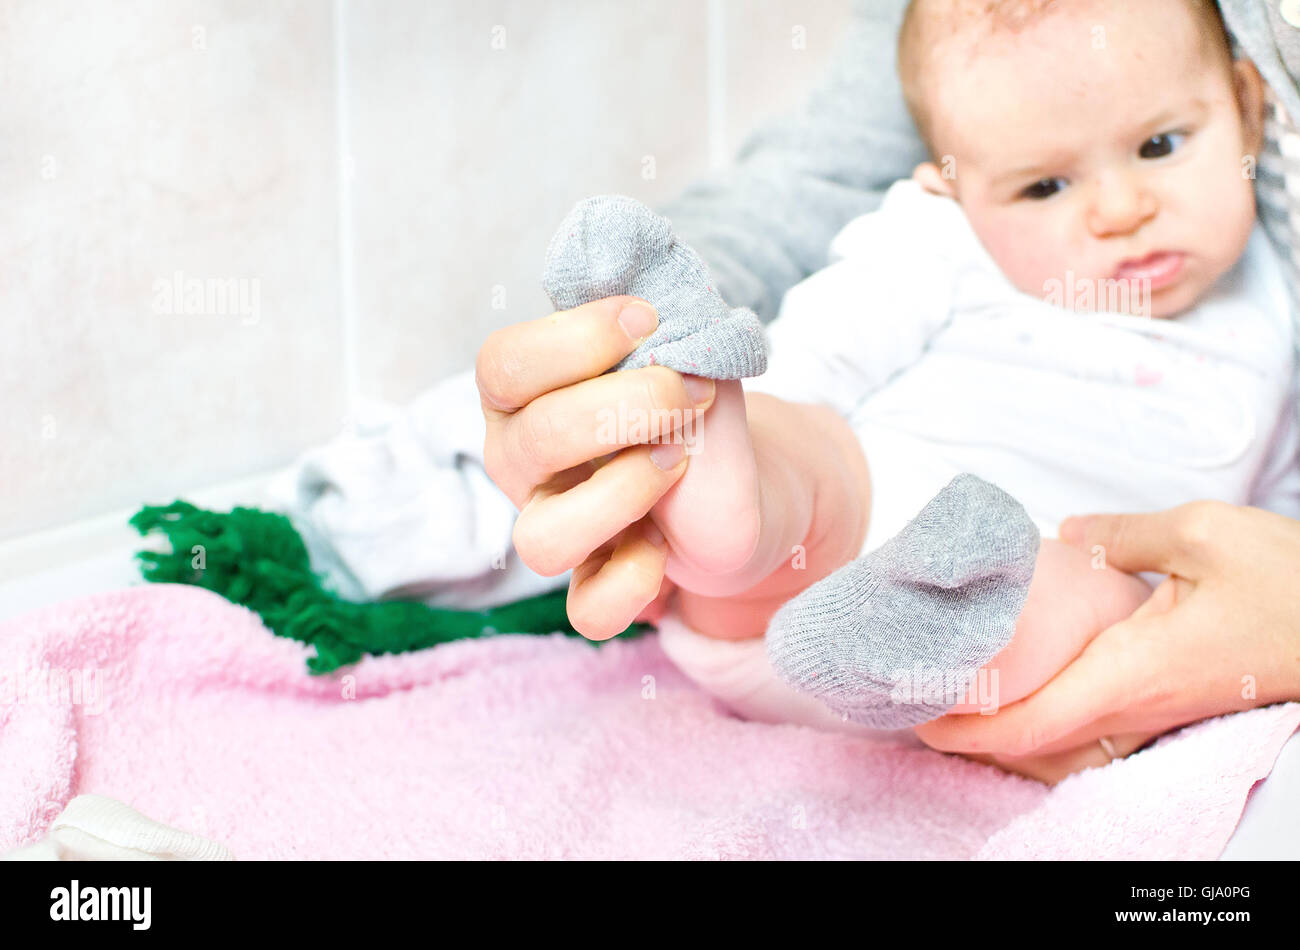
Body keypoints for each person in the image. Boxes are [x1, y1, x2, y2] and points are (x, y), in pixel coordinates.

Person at [475, 0, 1300, 786]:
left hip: (1012, 648)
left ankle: (922, 622)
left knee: (1099, 601)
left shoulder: (1279, 309)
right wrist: (737, 454)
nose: (1123, 210)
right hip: (810, 563)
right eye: (1045, 188)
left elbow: (1264, 537)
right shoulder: (944, 241)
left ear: (1248, 105)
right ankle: (708, 472)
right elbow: (810, 364)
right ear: (953, 184)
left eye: (1160, 144)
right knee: (812, 451)